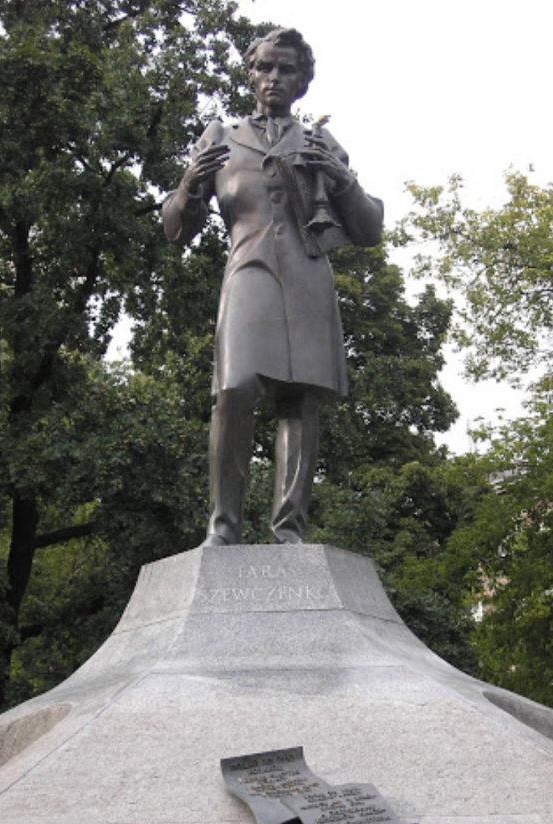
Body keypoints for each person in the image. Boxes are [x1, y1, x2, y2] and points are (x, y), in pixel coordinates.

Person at [163, 28, 383, 546]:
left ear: (302, 80)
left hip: (306, 276)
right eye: (264, 67)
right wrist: (190, 182)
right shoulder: (221, 137)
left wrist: (341, 177)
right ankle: (223, 527)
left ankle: (289, 529)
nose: (274, 78)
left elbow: (369, 230)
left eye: (286, 70)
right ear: (250, 75)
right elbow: (175, 228)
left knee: (299, 399)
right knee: (235, 388)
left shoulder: (319, 142)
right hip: (249, 270)